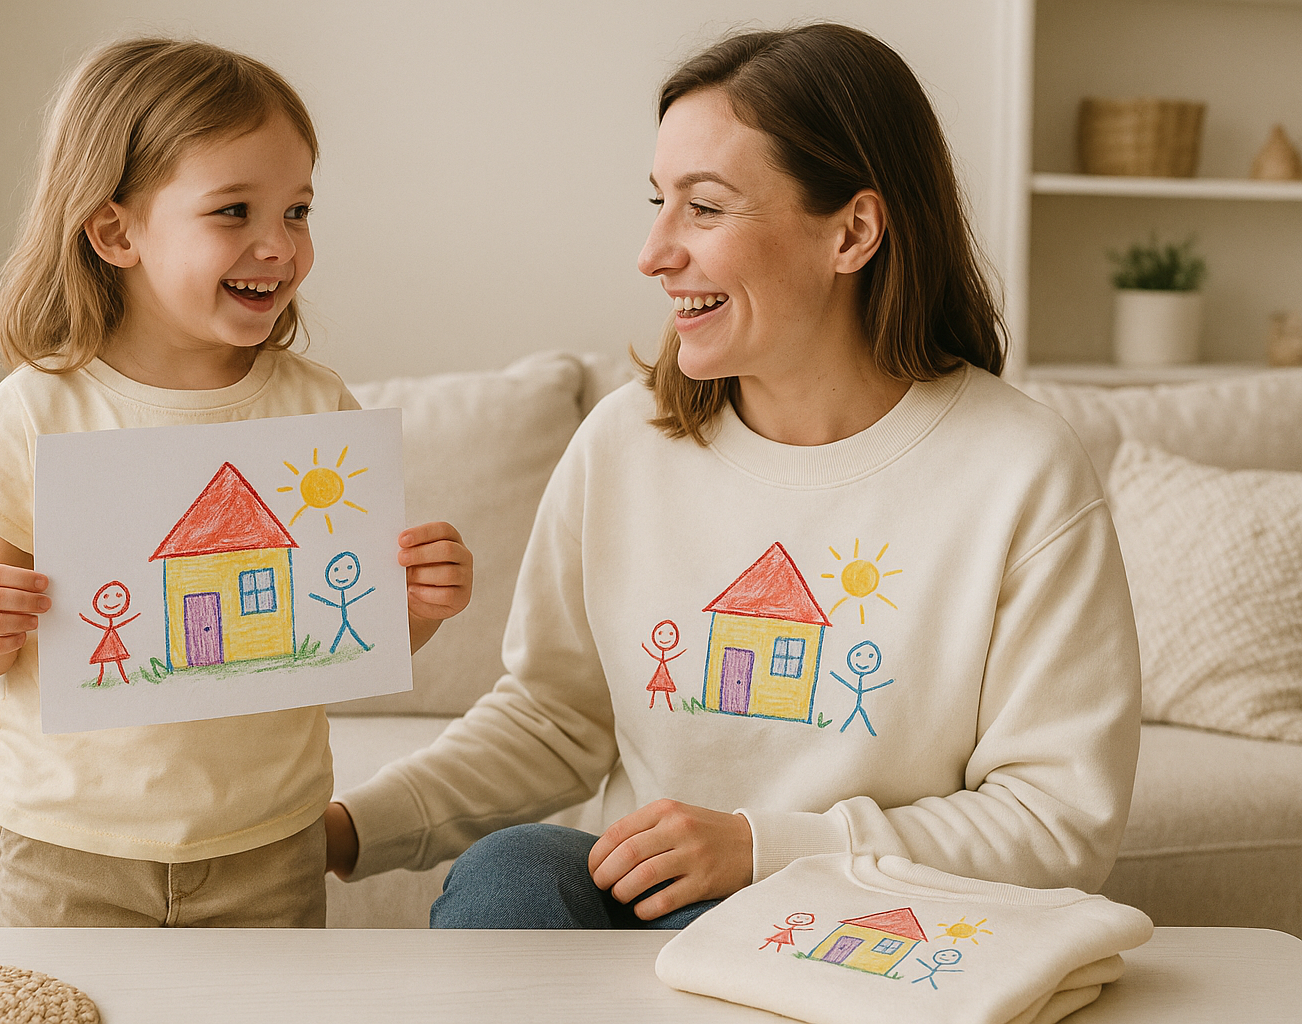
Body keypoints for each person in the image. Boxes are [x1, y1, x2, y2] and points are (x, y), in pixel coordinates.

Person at [324, 23, 1139, 929]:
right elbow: (554, 722)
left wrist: (763, 850)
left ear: (853, 232)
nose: (654, 252)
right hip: (650, 907)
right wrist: (346, 830)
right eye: (657, 201)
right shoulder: (624, 441)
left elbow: (1055, 824)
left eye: (704, 208)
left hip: (864, 922)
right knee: (515, 870)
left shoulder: (1020, 470)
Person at [0, 38, 473, 928]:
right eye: (234, 211)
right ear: (116, 231)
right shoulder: (36, 410)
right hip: (67, 840)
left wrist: (421, 604)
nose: (279, 245)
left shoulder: (315, 405)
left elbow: (346, 627)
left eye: (297, 210)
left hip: (267, 834)